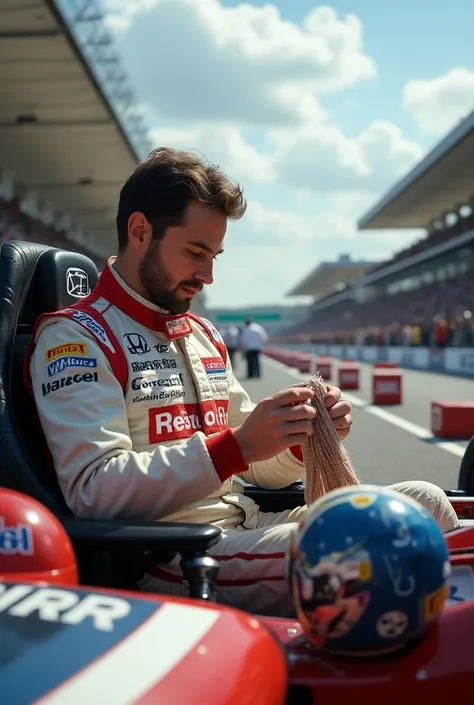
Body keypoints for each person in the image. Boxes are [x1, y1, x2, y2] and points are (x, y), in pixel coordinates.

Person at [26, 147, 461, 617]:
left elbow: (252, 468)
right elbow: (94, 493)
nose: (208, 275)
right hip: (169, 556)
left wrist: (297, 439)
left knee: (427, 503)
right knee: (372, 548)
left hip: (244, 528)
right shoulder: (74, 336)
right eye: (195, 252)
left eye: (214, 255)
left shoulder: (203, 334)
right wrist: (235, 447)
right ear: (139, 232)